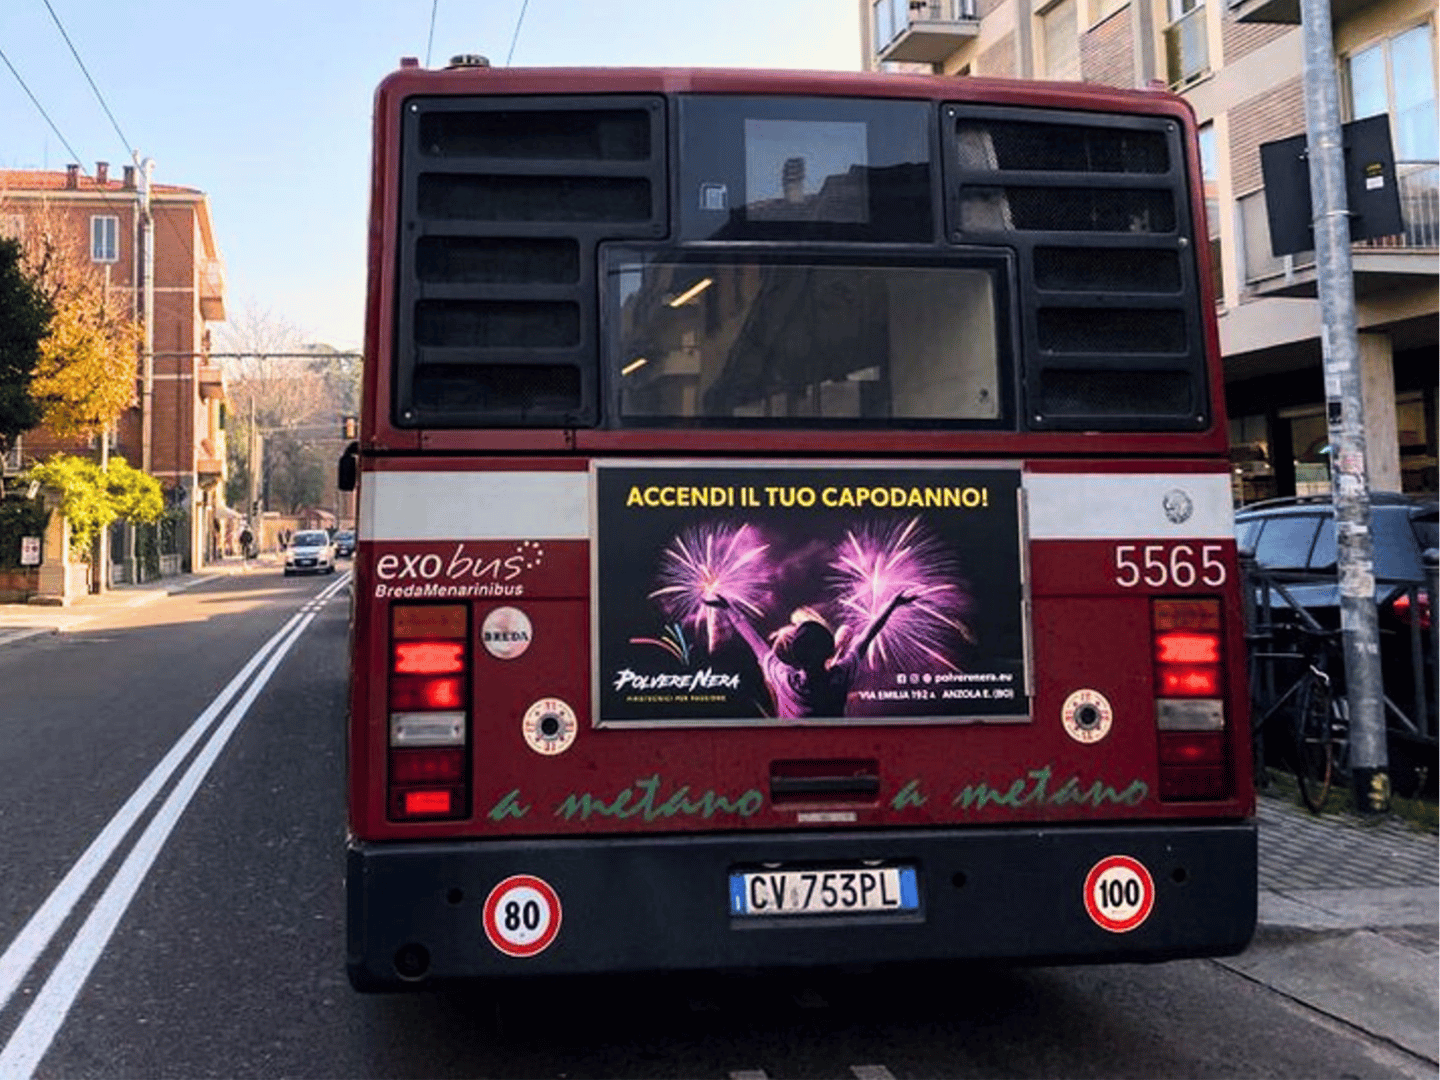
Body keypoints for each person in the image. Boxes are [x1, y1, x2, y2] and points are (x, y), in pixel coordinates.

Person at [704, 591, 913, 718]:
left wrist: (728, 608)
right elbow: (865, 638)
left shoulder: (784, 678)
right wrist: (892, 604)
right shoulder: (841, 677)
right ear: (830, 650)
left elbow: (755, 642)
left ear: (794, 653)